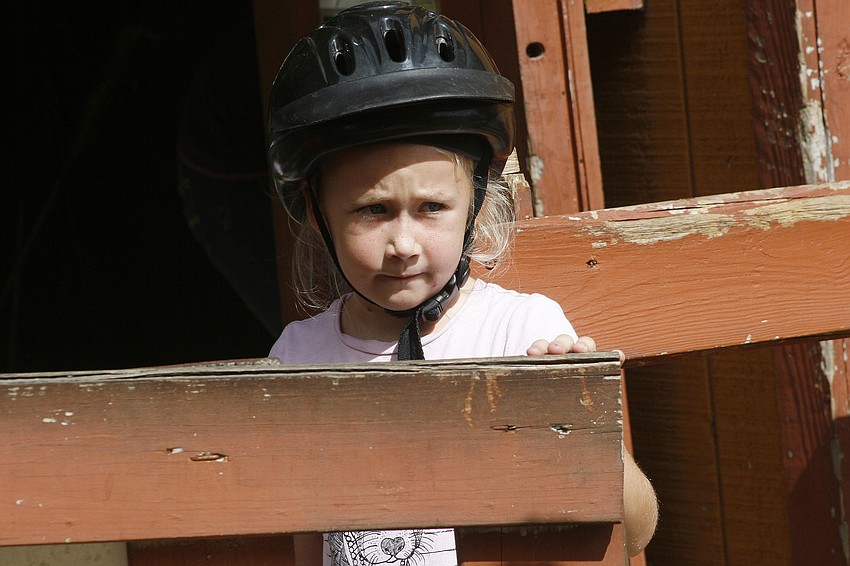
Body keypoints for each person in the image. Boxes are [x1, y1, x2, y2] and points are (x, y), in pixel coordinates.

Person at [266, 3, 657, 562]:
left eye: (431, 207)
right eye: (372, 210)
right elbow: (306, 548)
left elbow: (634, 529)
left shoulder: (523, 333)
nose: (403, 244)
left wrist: (574, 423)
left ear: (474, 201)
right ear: (316, 209)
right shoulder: (298, 357)